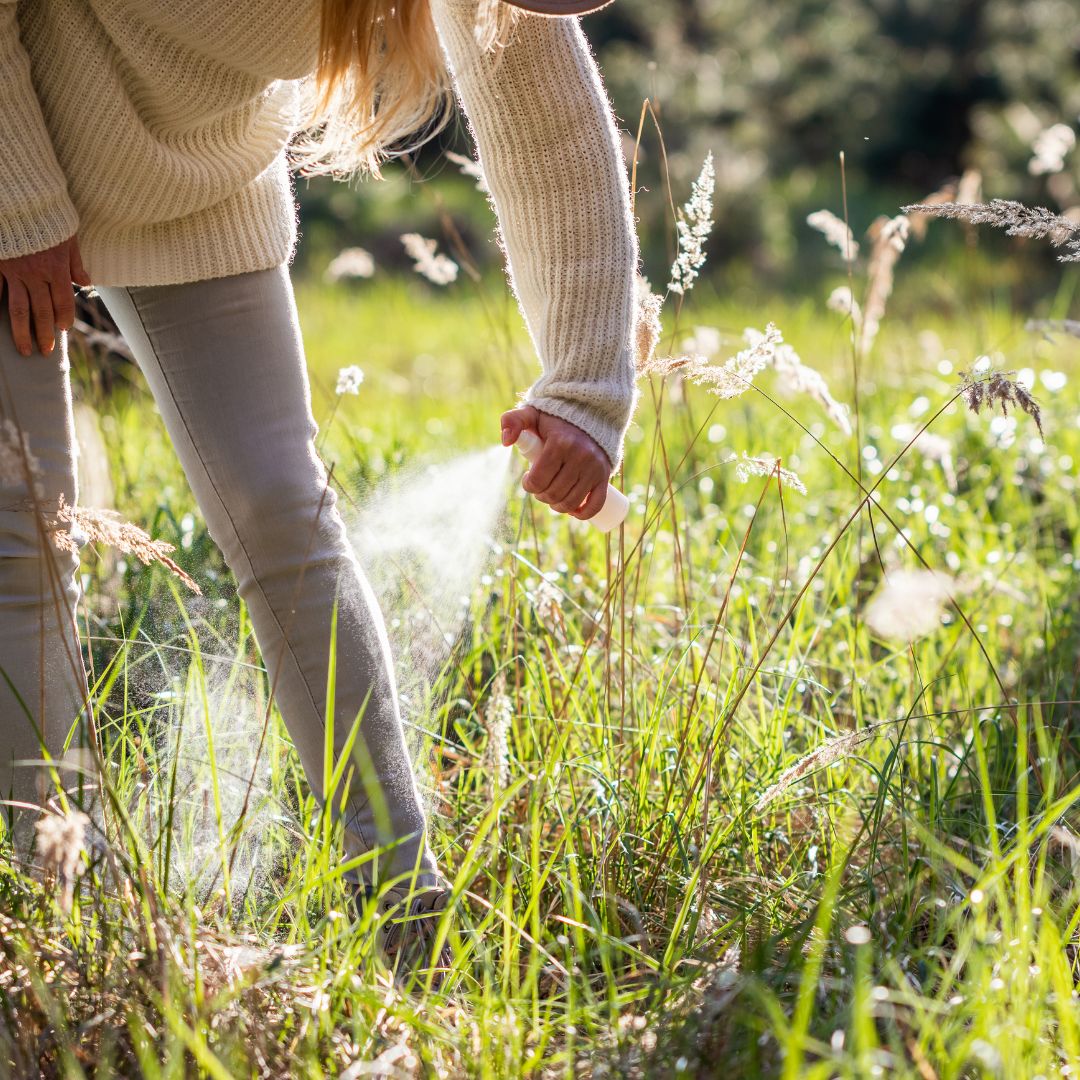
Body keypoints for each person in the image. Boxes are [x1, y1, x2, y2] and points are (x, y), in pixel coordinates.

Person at [0, 0, 640, 977]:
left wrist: (585, 389)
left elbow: (544, 116)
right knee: (25, 535)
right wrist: (18, 207)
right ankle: (41, 928)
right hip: (9, 135)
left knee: (283, 509)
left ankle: (407, 909)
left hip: (196, 168)